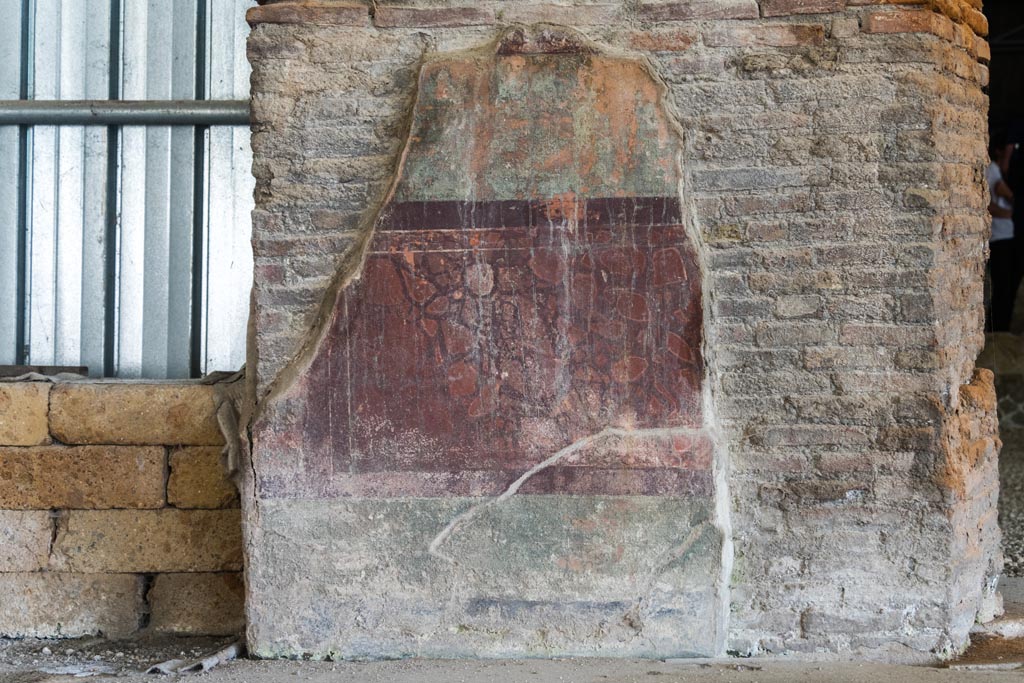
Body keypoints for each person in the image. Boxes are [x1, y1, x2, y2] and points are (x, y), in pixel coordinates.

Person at [987, 135, 1018, 332]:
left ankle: (1000, 328)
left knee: (1004, 285)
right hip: (999, 237)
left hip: (1004, 236)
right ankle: (997, 330)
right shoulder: (991, 169)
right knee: (1002, 286)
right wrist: (1011, 211)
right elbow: (988, 202)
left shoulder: (995, 170)